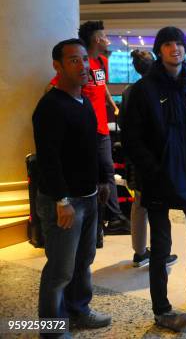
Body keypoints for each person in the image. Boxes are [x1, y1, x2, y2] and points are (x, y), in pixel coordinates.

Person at [123, 27, 186, 332]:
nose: (174, 49)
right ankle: (162, 309)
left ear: (185, 48)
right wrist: (153, 169)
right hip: (159, 180)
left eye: (179, 43)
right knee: (161, 246)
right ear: (159, 50)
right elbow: (133, 138)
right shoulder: (144, 90)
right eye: (168, 44)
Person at [33, 39, 112, 338]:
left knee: (83, 262)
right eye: (74, 61)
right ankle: (51, 329)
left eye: (84, 60)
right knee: (60, 271)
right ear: (58, 66)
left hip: (88, 197)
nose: (83, 66)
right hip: (65, 201)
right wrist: (61, 199)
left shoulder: (83, 101)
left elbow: (92, 144)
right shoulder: (50, 106)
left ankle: (79, 311)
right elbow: (48, 159)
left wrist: (103, 180)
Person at [47, 21, 128, 246]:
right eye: (104, 36)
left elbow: (102, 89)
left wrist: (113, 106)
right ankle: (111, 218)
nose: (107, 40)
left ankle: (108, 219)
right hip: (85, 130)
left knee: (106, 173)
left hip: (101, 126)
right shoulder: (80, 67)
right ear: (96, 39)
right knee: (100, 173)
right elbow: (54, 85)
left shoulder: (100, 63)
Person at [120, 50, 178, 268]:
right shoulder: (157, 90)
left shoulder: (129, 91)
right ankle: (160, 253)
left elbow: (125, 127)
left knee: (140, 204)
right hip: (155, 158)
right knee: (158, 206)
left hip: (136, 157)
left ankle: (140, 252)